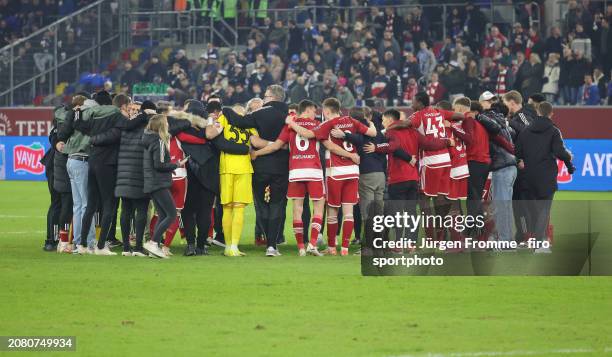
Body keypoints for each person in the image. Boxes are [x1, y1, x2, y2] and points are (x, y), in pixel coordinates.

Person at [365, 109, 452, 245]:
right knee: (411, 213)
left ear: (389, 120)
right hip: (413, 179)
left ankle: (399, 244)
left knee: (398, 213)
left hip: (398, 178)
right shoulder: (414, 132)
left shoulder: (391, 132)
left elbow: (393, 146)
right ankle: (411, 244)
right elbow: (430, 144)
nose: (382, 123)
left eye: (383, 120)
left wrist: (376, 147)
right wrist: (446, 142)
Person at [221, 85, 289, 256]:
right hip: (282, 166)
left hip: (260, 165)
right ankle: (272, 246)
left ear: (272, 97)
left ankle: (265, 238)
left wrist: (225, 109)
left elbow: (238, 121)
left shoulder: (261, 113)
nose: (264, 99)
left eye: (265, 96)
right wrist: (277, 145)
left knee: (262, 205)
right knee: (277, 205)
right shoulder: (290, 115)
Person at [250, 100, 324, 256]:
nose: (315, 114)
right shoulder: (317, 124)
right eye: (314, 111)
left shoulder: (288, 126)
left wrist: (256, 153)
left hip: (295, 171)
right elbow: (312, 136)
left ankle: (301, 248)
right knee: (318, 207)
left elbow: (276, 146)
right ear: (308, 109)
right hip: (314, 171)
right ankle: (311, 244)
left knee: (297, 209)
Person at [311, 98, 377, 256]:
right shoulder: (352, 121)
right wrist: (371, 123)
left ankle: (332, 247)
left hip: (335, 172)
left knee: (333, 211)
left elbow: (330, 146)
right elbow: (373, 133)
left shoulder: (326, 125)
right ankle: (346, 249)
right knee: (348, 211)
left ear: (326, 111)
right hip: (353, 171)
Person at [73, 94, 130, 255]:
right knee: (109, 205)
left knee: (91, 205)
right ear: (123, 107)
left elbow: (80, 125)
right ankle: (100, 246)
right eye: (129, 108)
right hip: (108, 164)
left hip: (93, 161)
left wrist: (77, 112)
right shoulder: (118, 118)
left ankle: (83, 245)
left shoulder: (97, 117)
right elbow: (122, 130)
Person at [515, 102, 574, 253]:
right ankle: (540, 244)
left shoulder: (525, 131)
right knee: (544, 210)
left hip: (527, 176)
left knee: (533, 210)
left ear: (537, 112)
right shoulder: (554, 131)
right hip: (546, 176)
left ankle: (532, 240)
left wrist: (519, 161)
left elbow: (517, 152)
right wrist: (569, 164)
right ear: (551, 113)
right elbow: (560, 152)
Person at [56, 96, 98, 254]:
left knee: (78, 205)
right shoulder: (91, 116)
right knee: (87, 204)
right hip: (82, 160)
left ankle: (78, 242)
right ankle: (88, 242)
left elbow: (63, 132)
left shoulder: (73, 116)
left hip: (71, 160)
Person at [142, 114, 188, 258]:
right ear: (161, 126)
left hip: (152, 182)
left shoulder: (148, 139)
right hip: (159, 182)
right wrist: (176, 164)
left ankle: (153, 246)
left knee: (162, 215)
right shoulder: (159, 141)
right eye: (166, 123)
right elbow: (160, 165)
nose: (168, 125)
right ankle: (153, 243)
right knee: (172, 214)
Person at [114, 101, 155, 257]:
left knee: (126, 210)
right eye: (132, 109)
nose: (134, 112)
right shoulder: (147, 130)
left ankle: (126, 247)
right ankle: (138, 247)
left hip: (123, 175)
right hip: (140, 175)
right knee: (141, 211)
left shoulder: (124, 128)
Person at [503, 90, 536, 243]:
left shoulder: (522, 115)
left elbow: (530, 132)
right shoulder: (515, 117)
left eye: (505, 103)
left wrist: (509, 122)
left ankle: (527, 234)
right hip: (517, 165)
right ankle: (522, 234)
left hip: (525, 168)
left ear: (512, 102)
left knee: (523, 203)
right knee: (517, 203)